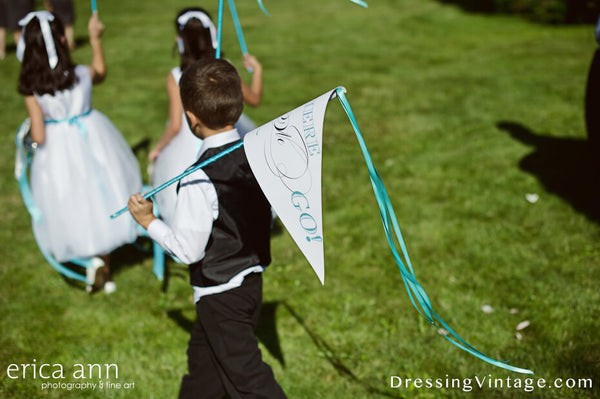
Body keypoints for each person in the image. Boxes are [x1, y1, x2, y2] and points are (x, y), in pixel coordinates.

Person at [128, 58, 286, 399]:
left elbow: (188, 250)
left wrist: (149, 222)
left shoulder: (198, 178)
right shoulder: (258, 155)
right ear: (239, 105)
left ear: (191, 118)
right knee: (204, 367)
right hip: (249, 283)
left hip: (221, 294)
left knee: (249, 380)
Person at [17, 11, 142, 293]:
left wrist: (27, 143)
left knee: (69, 201)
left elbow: (38, 135)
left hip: (58, 152)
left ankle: (90, 260)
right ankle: (106, 268)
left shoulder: (32, 89)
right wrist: (95, 39)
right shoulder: (81, 75)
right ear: (62, 40)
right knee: (100, 196)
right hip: (93, 141)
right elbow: (100, 71)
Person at [148, 7, 262, 225]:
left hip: (191, 144)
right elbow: (254, 99)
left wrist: (159, 148)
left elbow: (174, 126)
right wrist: (257, 71)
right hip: (228, 137)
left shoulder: (176, 76)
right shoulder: (226, 68)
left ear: (179, 40)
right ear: (213, 36)